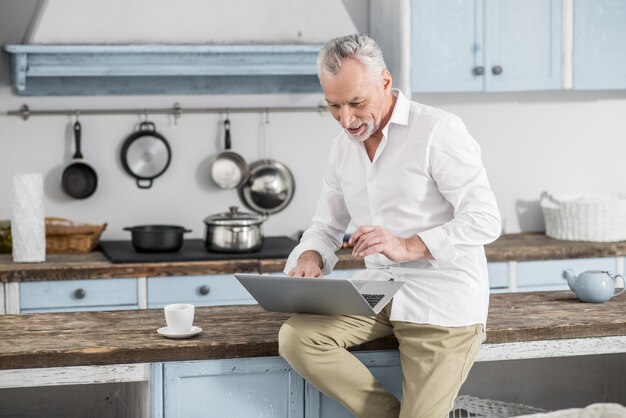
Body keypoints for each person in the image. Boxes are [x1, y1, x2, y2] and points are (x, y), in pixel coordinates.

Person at [278, 34, 501, 418]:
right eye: (333, 106)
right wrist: (312, 255)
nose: (346, 120)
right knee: (297, 337)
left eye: (356, 103)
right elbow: (326, 225)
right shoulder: (342, 148)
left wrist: (409, 245)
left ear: (384, 81)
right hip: (378, 291)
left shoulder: (438, 131)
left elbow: (485, 219)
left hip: (442, 302)